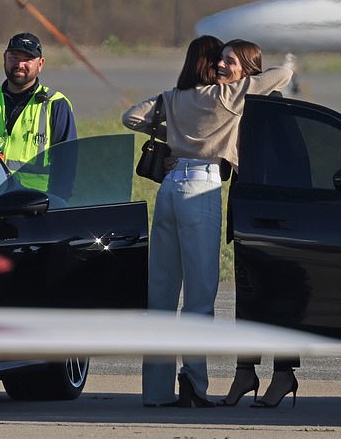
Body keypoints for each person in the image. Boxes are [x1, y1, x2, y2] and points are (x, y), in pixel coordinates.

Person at [122, 36, 292, 408]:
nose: (220, 66)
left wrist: (174, 137)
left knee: (162, 293)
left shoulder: (173, 96)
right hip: (201, 187)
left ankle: (156, 391)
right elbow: (281, 74)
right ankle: (195, 385)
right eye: (218, 59)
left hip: (167, 189)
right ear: (207, 62)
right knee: (199, 295)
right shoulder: (226, 97)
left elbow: (130, 116)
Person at [214, 40, 300, 409]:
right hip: (246, 213)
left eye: (229, 61)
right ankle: (245, 372)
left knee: (278, 296)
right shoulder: (229, 105)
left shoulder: (273, 108)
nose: (221, 65)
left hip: (274, 217)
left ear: (249, 69)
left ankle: (283, 375)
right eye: (220, 59)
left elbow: (295, 163)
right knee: (248, 300)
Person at [0, 32, 77, 199]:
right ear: (5, 58)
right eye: (14, 57)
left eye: (28, 59)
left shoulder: (56, 105)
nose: (20, 64)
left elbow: (67, 168)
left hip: (35, 205)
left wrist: (55, 209)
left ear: (40, 64)